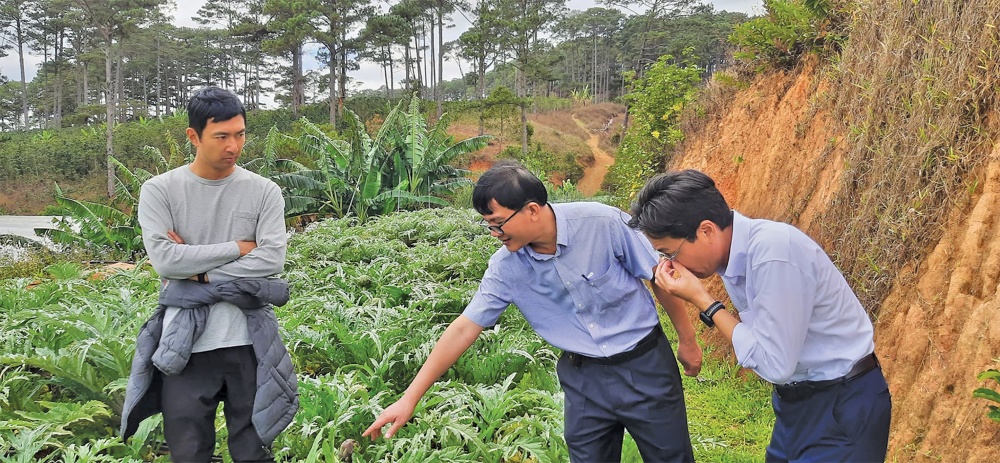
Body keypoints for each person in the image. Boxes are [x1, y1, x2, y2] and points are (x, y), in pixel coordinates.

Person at [363, 161, 701, 462]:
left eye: (498, 223)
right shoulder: (506, 268)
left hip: (645, 364)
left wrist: (687, 340)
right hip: (584, 379)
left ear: (532, 210)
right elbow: (465, 328)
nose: (494, 234)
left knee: (670, 457)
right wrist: (409, 399)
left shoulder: (603, 223)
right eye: (488, 225)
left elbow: (660, 278)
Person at [628, 169, 891, 462]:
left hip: (842, 406)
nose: (670, 264)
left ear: (706, 231)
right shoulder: (733, 258)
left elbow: (776, 364)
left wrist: (704, 301)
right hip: (798, 405)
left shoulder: (773, 253)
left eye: (670, 253)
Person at [120, 86, 298, 462]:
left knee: (253, 452)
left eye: (240, 134)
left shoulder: (264, 191)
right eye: (221, 136)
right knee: (189, 453)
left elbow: (272, 259)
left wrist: (197, 272)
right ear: (194, 136)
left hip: (249, 340)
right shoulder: (160, 191)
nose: (233, 145)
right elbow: (167, 262)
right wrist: (239, 247)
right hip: (184, 343)